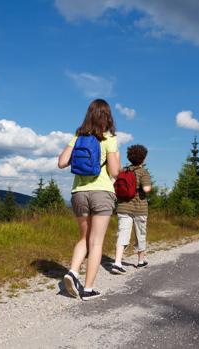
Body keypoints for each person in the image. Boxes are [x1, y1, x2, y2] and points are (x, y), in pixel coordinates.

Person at [58, 99, 120, 301]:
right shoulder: (109, 137)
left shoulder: (78, 135)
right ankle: (88, 288)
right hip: (102, 192)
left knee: (84, 238)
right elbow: (114, 171)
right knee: (96, 242)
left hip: (79, 193)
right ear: (107, 116)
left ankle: (73, 271)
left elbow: (61, 162)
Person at [110, 145, 152, 275]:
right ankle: (140, 261)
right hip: (140, 209)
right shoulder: (143, 172)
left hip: (123, 207)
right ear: (143, 158)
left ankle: (117, 262)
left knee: (122, 233)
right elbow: (146, 189)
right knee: (140, 234)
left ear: (130, 157)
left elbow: (114, 183)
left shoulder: (124, 170)